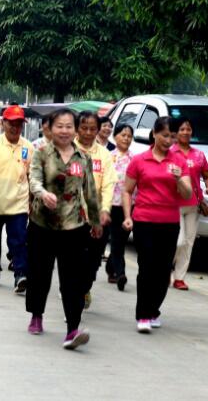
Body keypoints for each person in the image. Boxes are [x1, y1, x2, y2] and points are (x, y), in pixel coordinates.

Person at [26, 109, 103, 350]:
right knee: (40, 273)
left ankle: (73, 328)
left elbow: (89, 191)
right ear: (50, 128)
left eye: (69, 126)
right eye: (60, 126)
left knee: (73, 279)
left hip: (74, 225)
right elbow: (34, 179)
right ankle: (36, 315)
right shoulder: (41, 153)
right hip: (43, 223)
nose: (64, 131)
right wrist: (42, 193)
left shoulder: (83, 158)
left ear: (76, 129)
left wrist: (96, 220)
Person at [122, 117, 193, 333]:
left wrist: (179, 179)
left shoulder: (178, 161)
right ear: (154, 134)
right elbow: (127, 190)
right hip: (144, 220)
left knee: (163, 272)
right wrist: (128, 215)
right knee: (147, 268)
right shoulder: (139, 160)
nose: (168, 140)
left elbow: (188, 193)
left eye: (172, 136)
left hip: (169, 223)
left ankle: (153, 310)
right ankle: (143, 314)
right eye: (164, 135)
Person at [0, 105, 33, 293]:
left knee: (18, 240)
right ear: (3, 123)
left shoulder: (28, 146)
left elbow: (32, 174)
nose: (15, 127)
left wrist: (34, 199)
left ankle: (21, 275)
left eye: (19, 124)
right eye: (12, 123)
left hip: (18, 203)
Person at [74, 111, 117, 309]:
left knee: (92, 262)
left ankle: (84, 287)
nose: (89, 132)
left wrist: (105, 210)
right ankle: (73, 292)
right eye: (84, 128)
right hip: (71, 216)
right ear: (76, 128)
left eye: (93, 129)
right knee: (74, 258)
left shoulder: (105, 155)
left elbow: (108, 184)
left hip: (96, 217)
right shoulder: (67, 150)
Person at [170, 117, 208, 290]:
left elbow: (207, 175)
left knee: (188, 242)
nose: (185, 132)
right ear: (176, 132)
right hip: (174, 204)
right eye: (182, 129)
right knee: (177, 242)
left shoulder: (199, 154)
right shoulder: (170, 152)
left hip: (194, 204)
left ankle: (179, 278)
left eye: (188, 129)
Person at [107, 124, 134, 290]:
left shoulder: (135, 159)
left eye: (129, 136)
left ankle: (111, 268)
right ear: (115, 137)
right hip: (112, 204)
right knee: (116, 241)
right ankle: (120, 273)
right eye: (123, 135)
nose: (126, 138)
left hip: (130, 206)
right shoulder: (108, 157)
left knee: (121, 241)